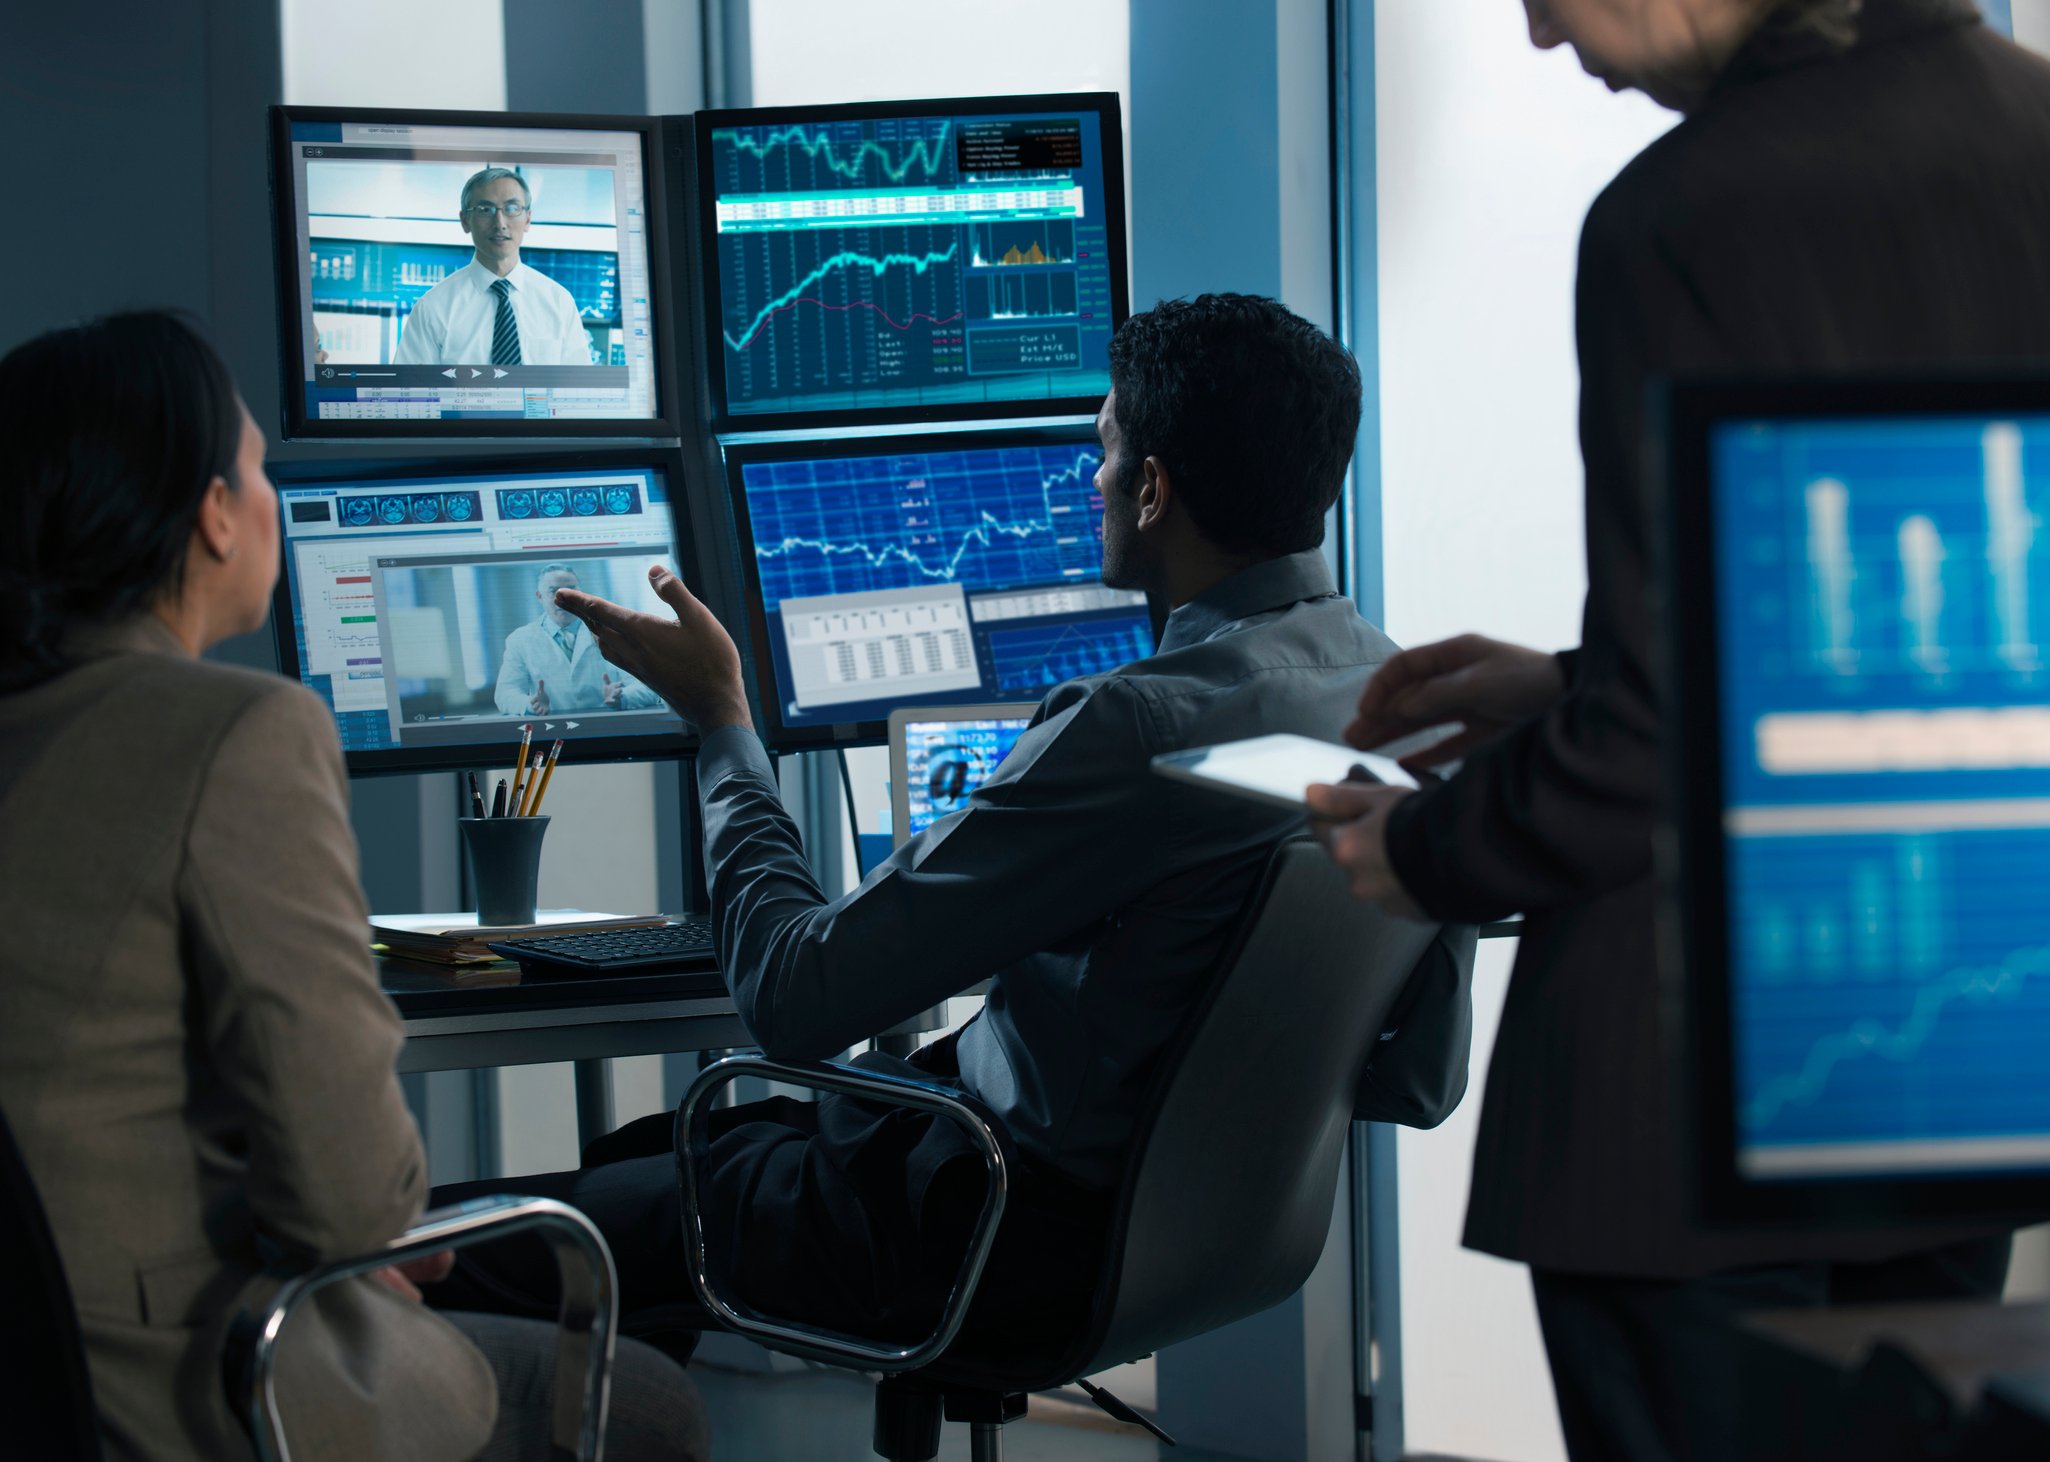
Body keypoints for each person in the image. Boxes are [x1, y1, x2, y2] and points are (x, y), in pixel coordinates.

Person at [431, 294, 1473, 1348]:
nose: (1092, 480)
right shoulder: (1410, 709)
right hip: (1200, 1239)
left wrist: (723, 725)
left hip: (978, 1231)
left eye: (1105, 453)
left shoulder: (1136, 726)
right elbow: (1416, 1076)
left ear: (1152, 489)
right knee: (654, 1161)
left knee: (469, 1236)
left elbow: (795, 998)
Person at [1307, 2, 2050, 1458]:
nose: (1531, 30)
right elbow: (1944, 620)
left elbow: (1651, 745)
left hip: (1687, 1100)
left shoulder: (1688, 208)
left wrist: (1428, 844)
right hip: (1949, 1049)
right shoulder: (2027, 131)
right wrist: (1564, 678)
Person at [0, 312, 706, 1462]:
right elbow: (355, 1201)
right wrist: (383, 1237)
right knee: (649, 1402)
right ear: (212, 516)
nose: (271, 499)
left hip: (34, 1364)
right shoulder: (236, 731)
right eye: (260, 470)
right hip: (173, 1376)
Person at [395, 167, 593, 368]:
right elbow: (410, 393)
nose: (500, 223)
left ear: (527, 219)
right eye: (485, 210)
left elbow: (580, 390)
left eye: (511, 208)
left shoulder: (559, 302)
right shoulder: (432, 308)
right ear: (465, 221)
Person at [493, 563, 661, 716]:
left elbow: (650, 687)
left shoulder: (612, 632)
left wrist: (623, 698)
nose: (564, 599)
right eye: (553, 591)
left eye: (571, 590)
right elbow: (505, 693)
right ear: (539, 597)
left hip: (608, 729)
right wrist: (530, 704)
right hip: (552, 733)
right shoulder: (520, 639)